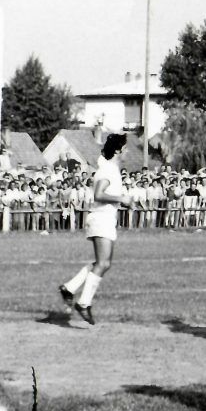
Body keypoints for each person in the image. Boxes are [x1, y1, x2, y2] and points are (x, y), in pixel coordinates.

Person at [57, 134, 132, 325]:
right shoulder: (108, 170)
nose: (128, 151)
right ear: (117, 150)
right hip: (101, 219)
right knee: (103, 264)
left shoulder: (110, 168)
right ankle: (83, 303)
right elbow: (99, 194)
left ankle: (69, 288)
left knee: (102, 263)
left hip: (103, 218)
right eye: (125, 147)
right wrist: (121, 199)